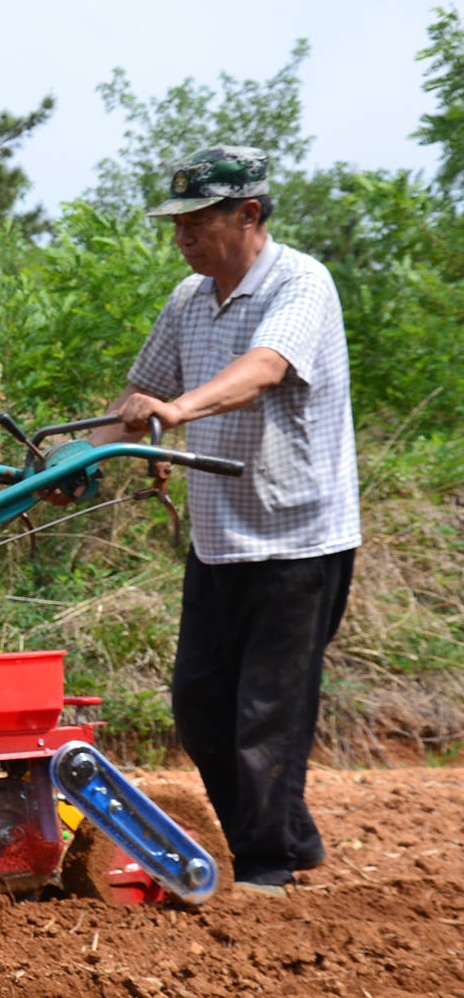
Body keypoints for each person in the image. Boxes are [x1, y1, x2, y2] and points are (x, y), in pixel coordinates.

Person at [88, 145, 360, 896]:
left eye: (196, 223)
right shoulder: (188, 298)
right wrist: (67, 465)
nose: (181, 238)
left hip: (299, 537)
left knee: (266, 710)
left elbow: (264, 369)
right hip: (220, 538)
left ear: (247, 215)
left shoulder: (301, 283)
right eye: (175, 224)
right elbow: (138, 398)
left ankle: (268, 865)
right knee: (200, 701)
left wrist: (179, 410)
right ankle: (289, 839)